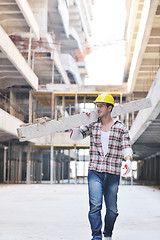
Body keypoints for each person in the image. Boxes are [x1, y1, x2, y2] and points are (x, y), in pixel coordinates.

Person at [70, 93, 133, 240]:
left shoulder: (120, 127)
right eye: (97, 105)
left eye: (101, 106)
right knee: (95, 206)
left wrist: (128, 160)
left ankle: (107, 234)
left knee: (112, 210)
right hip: (95, 172)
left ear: (109, 108)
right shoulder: (93, 125)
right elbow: (76, 137)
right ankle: (96, 236)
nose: (97, 108)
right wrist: (79, 121)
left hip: (112, 173)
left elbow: (126, 146)